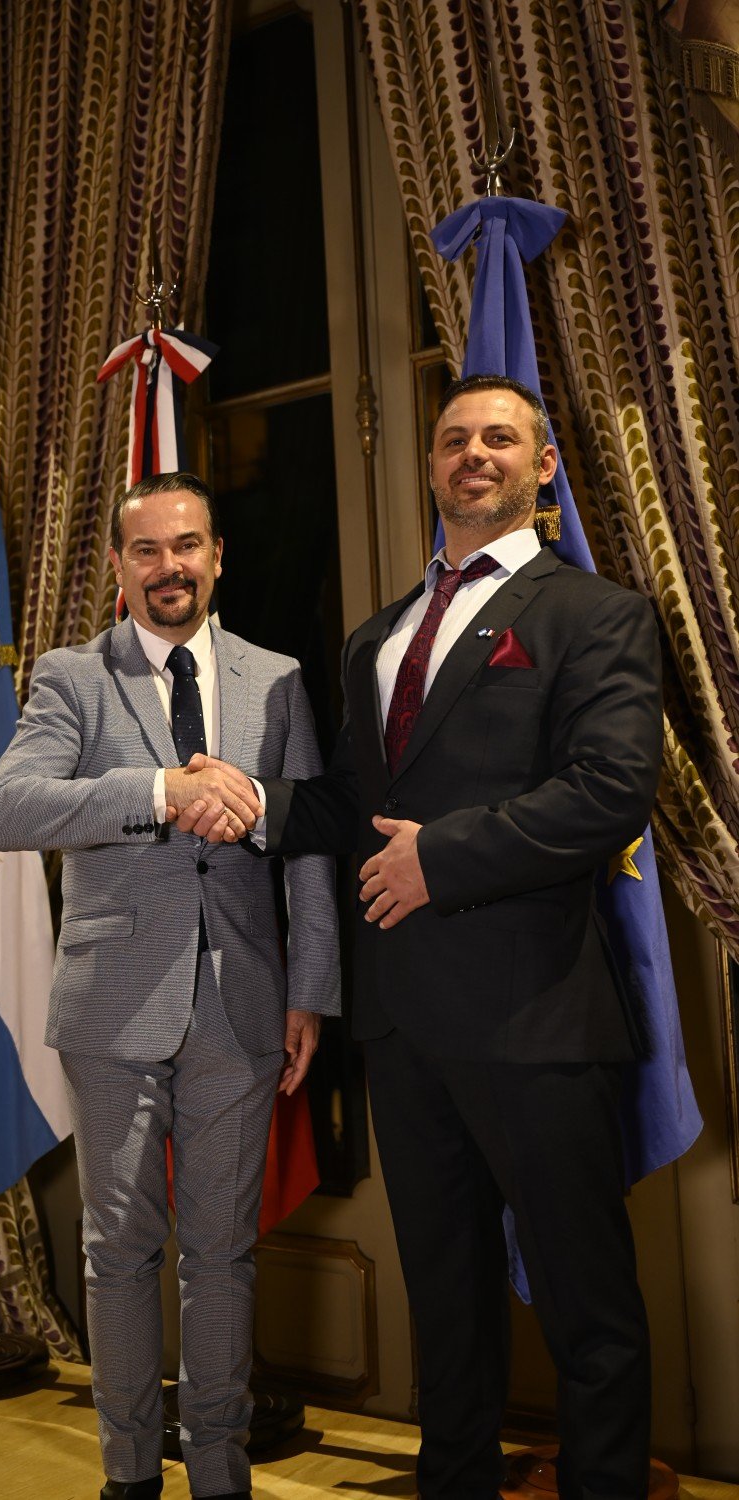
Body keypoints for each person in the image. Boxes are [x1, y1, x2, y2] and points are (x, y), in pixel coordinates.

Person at [173, 376, 662, 1500]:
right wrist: (248, 798)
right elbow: (347, 801)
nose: (471, 454)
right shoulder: (376, 636)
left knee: (590, 1309)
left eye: (499, 437)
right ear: (430, 466)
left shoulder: (595, 615)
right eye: (451, 439)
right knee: (442, 1301)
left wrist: (437, 857)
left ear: (542, 468)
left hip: (535, 1015)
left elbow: (606, 792)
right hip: (401, 1026)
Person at [0, 471, 340, 1500]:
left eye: (186, 546)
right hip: (111, 1012)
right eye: (146, 550)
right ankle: (130, 1479)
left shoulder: (274, 678)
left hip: (242, 1007)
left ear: (215, 556)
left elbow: (309, 844)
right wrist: (155, 791)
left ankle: (219, 1477)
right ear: (117, 565)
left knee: (222, 1257)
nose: (168, 567)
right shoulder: (68, 676)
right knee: (120, 1254)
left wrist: (308, 987)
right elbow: (8, 810)